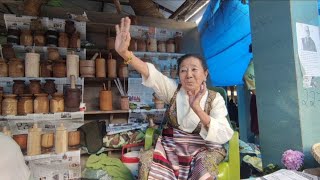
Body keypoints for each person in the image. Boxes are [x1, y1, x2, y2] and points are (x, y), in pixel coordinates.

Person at [115, 17, 234, 180]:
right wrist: (125, 53)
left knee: (204, 167)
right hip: (172, 146)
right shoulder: (174, 91)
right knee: (147, 160)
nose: (189, 75)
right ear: (179, 75)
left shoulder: (215, 98)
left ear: (205, 74)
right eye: (183, 70)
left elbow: (224, 133)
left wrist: (198, 109)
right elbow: (152, 74)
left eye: (194, 69)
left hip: (204, 148)